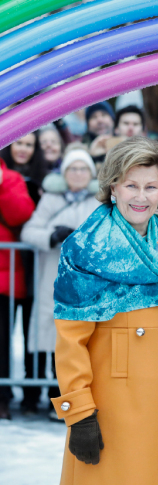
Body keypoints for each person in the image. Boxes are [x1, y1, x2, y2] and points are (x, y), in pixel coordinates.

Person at [49, 136, 158, 485]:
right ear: (113, 186)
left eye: (151, 186)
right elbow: (70, 340)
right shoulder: (87, 247)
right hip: (115, 408)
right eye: (131, 185)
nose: (141, 196)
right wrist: (80, 411)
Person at [20, 149, 100, 419]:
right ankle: (39, 397)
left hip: (84, 281)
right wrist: (52, 236)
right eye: (72, 169)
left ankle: (67, 400)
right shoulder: (51, 199)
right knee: (46, 337)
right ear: (64, 173)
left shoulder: (97, 201)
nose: (77, 174)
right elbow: (29, 231)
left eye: (83, 169)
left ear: (90, 174)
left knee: (75, 341)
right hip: (52, 277)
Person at [0, 157, 35, 419]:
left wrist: (2, 186)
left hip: (5, 276)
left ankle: (2, 396)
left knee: (2, 342)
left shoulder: (10, 178)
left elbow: (21, 214)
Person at [0, 131, 48, 204]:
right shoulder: (1, 172)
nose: (23, 149)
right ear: (10, 145)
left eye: (28, 145)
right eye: (19, 143)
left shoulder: (43, 178)